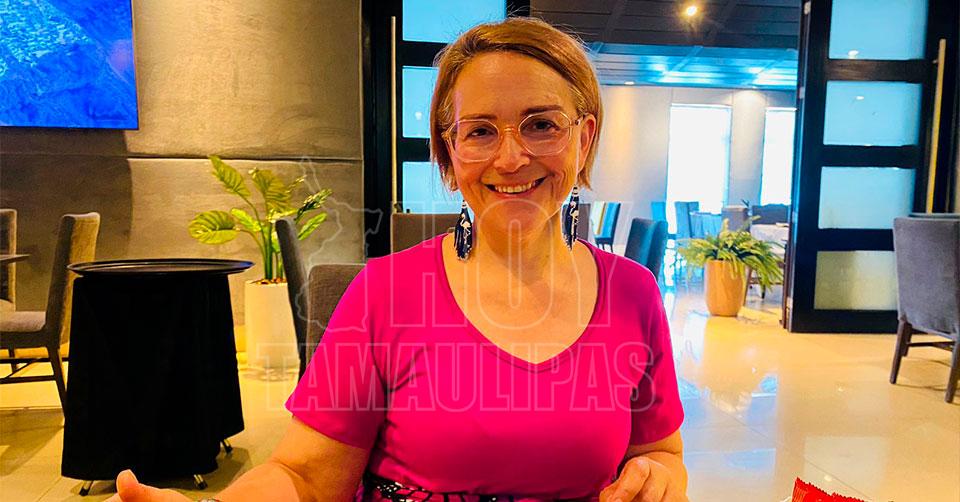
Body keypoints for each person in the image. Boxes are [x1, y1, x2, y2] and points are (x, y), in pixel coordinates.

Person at [108, 17, 686, 502]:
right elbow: (305, 477)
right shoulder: (384, 294)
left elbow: (662, 453)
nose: (511, 157)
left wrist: (658, 477)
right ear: (449, 156)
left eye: (541, 125)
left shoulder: (633, 293)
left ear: (583, 139)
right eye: (480, 132)